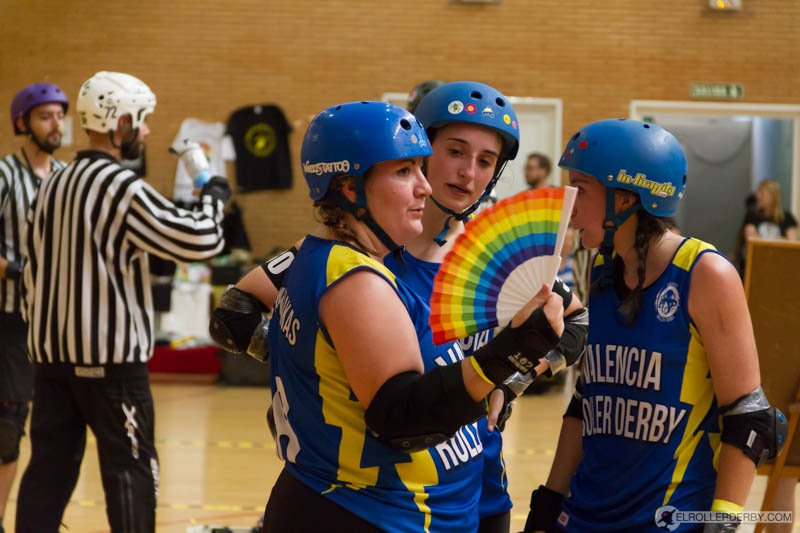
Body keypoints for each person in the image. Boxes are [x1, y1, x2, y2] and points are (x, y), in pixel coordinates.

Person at [209, 84, 588, 532]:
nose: (468, 173)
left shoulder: (498, 251)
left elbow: (576, 320)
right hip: (375, 491)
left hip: (471, 481)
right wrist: (320, 381)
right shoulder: (354, 248)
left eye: (486, 161)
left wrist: (512, 379)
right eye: (455, 151)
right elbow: (233, 315)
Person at [522, 119, 787, 532]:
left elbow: (750, 419)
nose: (568, 206)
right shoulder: (603, 268)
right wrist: (549, 501)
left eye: (581, 189)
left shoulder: (705, 274)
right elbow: (585, 402)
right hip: (584, 514)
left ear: (626, 197)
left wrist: (721, 524)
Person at [15, 71, 231, 532]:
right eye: (142, 120)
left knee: (47, 476)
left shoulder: (51, 184)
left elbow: (32, 268)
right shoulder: (120, 185)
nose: (146, 131)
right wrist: (213, 195)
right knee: (131, 476)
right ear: (121, 121)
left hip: (51, 364)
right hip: (111, 369)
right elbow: (202, 240)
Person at [0, 82, 68, 533]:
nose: (56, 124)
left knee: (46, 426)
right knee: (7, 424)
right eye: (46, 117)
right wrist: (19, 271)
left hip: (51, 322)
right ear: (23, 123)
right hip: (8, 318)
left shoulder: (65, 176)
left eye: (60, 115)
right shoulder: (5, 175)